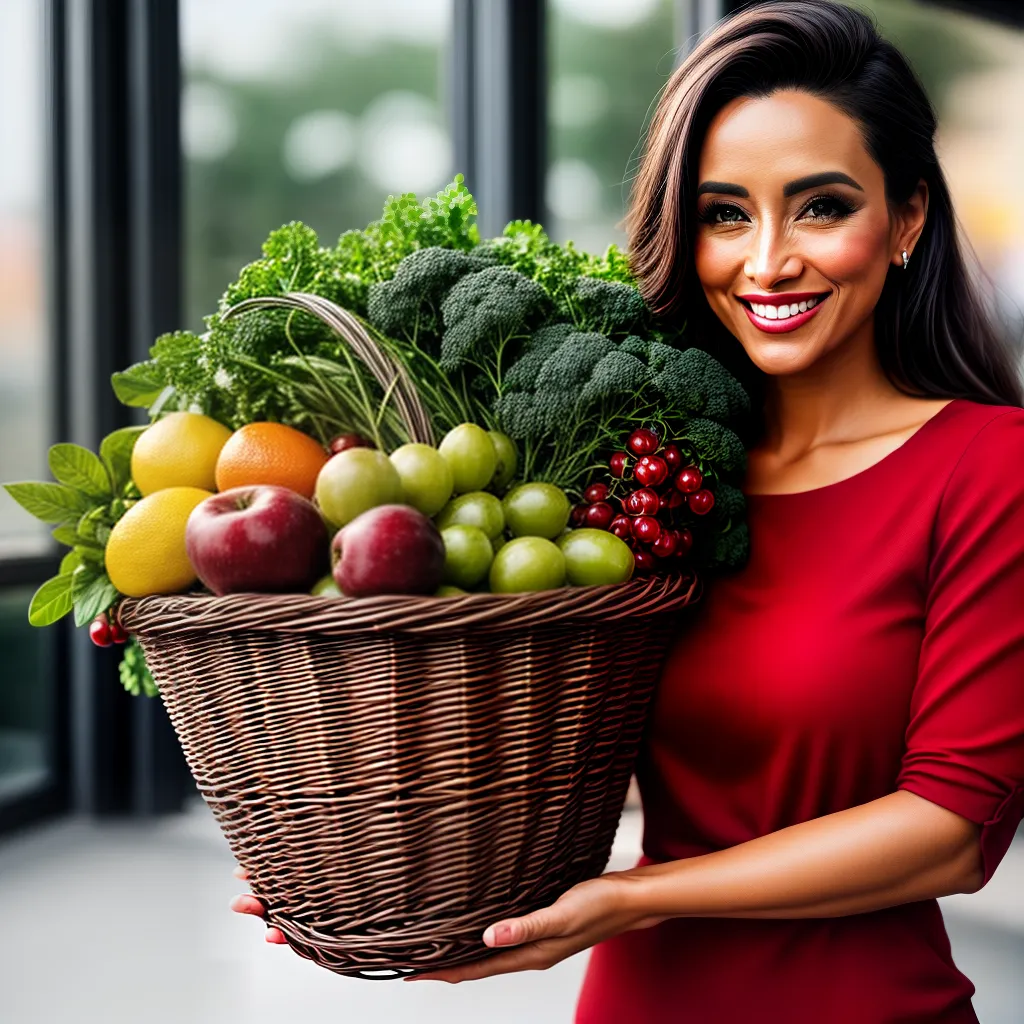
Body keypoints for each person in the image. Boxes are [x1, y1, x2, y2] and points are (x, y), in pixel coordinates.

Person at [231, 2, 1024, 1020]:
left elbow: (950, 833)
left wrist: (630, 899)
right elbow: (523, 722)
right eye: (724, 213)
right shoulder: (646, 479)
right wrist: (350, 861)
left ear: (906, 218)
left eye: (820, 206)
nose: (768, 259)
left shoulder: (986, 469)